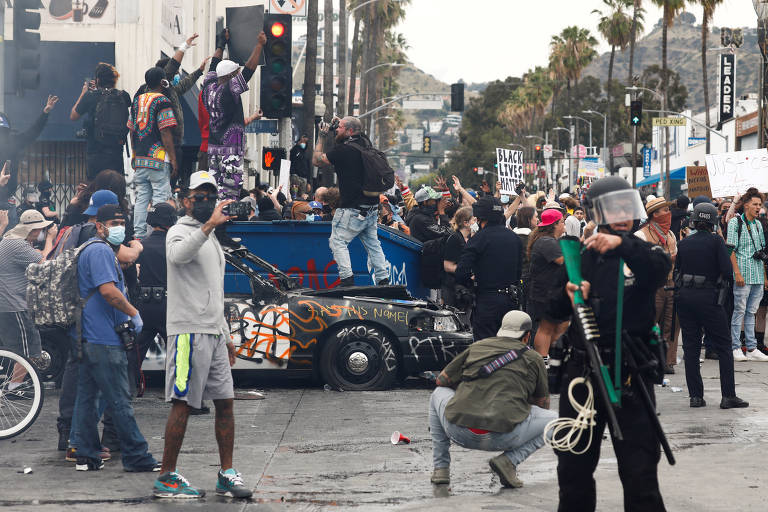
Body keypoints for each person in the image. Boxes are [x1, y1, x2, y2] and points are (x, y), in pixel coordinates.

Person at [548, 176, 671, 512]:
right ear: (597, 212)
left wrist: (621, 245)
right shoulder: (581, 255)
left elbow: (659, 268)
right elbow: (552, 308)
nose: (620, 214)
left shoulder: (643, 251)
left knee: (640, 473)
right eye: (612, 207)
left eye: (625, 206)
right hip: (583, 374)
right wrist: (570, 293)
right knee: (572, 470)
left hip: (632, 375)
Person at [154, 171, 251, 499]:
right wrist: (208, 225)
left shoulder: (210, 237)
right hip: (187, 335)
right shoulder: (178, 232)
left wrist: (225, 336)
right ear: (186, 201)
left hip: (212, 333)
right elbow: (178, 257)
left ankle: (226, 472)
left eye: (211, 195)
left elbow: (215, 289)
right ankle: (166, 475)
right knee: (182, 404)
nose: (207, 201)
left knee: (226, 404)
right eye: (199, 196)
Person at [70, 204, 159, 472]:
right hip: (103, 339)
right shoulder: (98, 251)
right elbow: (108, 292)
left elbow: (125, 262)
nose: (118, 227)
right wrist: (133, 313)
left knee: (87, 398)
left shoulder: (98, 250)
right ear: (99, 226)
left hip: (90, 337)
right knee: (120, 399)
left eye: (122, 222)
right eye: (113, 222)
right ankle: (137, 456)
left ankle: (86, 454)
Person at [429, 310, 556, 487]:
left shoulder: (477, 347)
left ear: (502, 330)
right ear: (527, 336)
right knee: (556, 421)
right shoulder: (534, 358)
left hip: (460, 431)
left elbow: (441, 380)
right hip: (505, 435)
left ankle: (441, 468)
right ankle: (509, 461)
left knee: (437, 394)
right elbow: (543, 404)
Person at [676, 202, 748, 409]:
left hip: (685, 298)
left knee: (691, 348)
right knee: (724, 346)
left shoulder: (684, 243)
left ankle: (696, 397)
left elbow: (678, 270)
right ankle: (728, 396)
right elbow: (727, 271)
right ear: (713, 222)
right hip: (709, 299)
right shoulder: (717, 241)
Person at [311, 116, 390, 287]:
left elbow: (316, 160)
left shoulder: (344, 151)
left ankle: (347, 279)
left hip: (351, 209)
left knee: (337, 241)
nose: (336, 129)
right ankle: (383, 279)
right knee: (373, 244)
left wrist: (322, 136)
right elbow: (354, 133)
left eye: (339, 127)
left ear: (349, 131)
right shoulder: (366, 145)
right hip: (370, 208)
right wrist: (341, 126)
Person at [137, 34, 208, 188]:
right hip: (163, 147)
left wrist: (199, 71)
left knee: (154, 189)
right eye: (173, 75)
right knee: (163, 186)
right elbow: (164, 131)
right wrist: (184, 47)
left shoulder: (169, 90)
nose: (176, 77)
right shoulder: (156, 92)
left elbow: (184, 85)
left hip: (172, 144)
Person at [202, 30, 266, 200]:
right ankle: (224, 222)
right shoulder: (229, 90)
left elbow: (214, 64)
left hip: (214, 148)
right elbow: (248, 71)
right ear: (231, 76)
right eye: (236, 73)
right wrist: (259, 45)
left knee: (214, 190)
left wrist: (221, 43)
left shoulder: (207, 88)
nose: (239, 74)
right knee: (230, 193)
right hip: (230, 150)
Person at [0, 210, 57, 384]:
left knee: (20, 349)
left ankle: (14, 385)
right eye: (40, 230)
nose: (41, 233)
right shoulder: (18, 245)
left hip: (9, 304)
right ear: (32, 230)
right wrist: (50, 239)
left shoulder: (10, 240)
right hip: (15, 306)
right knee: (28, 350)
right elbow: (44, 263)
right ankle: (15, 388)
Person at [456, 196, 523, 341]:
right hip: (511, 301)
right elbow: (519, 271)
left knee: (486, 348)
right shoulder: (515, 238)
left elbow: (461, 273)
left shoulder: (478, 239)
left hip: (487, 301)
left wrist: (472, 281)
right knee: (509, 347)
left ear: (479, 217)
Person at [130, 203, 177, 395]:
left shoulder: (141, 246)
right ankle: (178, 391)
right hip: (169, 304)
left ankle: (130, 388)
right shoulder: (174, 247)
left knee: (136, 350)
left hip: (144, 304)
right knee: (176, 351)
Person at [128, 67, 179, 239]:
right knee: (160, 197)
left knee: (142, 198)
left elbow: (132, 130)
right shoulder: (163, 101)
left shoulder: (137, 101)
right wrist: (173, 159)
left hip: (141, 159)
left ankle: (139, 235)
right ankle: (159, 234)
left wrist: (134, 154)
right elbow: (165, 132)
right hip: (158, 157)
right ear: (162, 81)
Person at [0, 96, 58, 229]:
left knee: (10, 238)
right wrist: (45, 113)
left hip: (7, 198)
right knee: (10, 239)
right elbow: (32, 133)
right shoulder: (13, 141)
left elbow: (32, 133)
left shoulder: (13, 142)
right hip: (7, 199)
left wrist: (45, 113)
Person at [635, 197, 678, 374]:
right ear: (654, 215)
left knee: (670, 324)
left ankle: (666, 361)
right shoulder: (641, 235)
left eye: (668, 210)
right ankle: (643, 358)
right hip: (652, 286)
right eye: (664, 211)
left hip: (670, 283)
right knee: (647, 322)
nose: (668, 214)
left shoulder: (670, 235)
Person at [726, 188, 768, 362]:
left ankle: (751, 347)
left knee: (752, 311)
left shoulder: (759, 224)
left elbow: (761, 251)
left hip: (757, 273)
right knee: (739, 311)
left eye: (760, 204)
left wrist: (765, 276)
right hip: (743, 273)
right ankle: (735, 346)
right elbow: (730, 250)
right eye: (755, 204)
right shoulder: (736, 223)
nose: (758, 207)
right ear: (746, 205)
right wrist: (737, 272)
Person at [70, 63, 130, 181]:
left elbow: (73, 116)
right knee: (115, 188)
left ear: (97, 80)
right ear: (114, 79)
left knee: (95, 189)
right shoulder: (124, 96)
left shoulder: (90, 96)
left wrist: (84, 93)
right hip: (116, 153)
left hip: (95, 152)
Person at [527, 209, 569, 360]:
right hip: (544, 292)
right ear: (555, 224)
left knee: (557, 326)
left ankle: (550, 356)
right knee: (546, 328)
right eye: (562, 222)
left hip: (547, 292)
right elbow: (564, 262)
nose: (564, 225)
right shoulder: (547, 242)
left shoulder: (547, 240)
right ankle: (543, 358)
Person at [442, 206, 474, 309]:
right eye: (474, 219)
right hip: (452, 288)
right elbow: (447, 266)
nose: (477, 222)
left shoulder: (471, 238)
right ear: (466, 223)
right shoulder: (455, 239)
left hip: (466, 287)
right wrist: (467, 271)